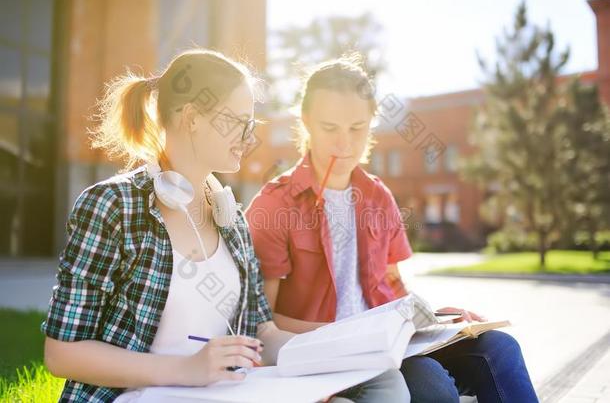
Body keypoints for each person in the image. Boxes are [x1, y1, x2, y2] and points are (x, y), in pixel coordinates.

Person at [41, 48, 408, 403]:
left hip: (229, 392)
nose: (249, 138)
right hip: (139, 395)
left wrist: (348, 348)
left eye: (251, 125)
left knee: (386, 386)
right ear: (192, 118)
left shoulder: (228, 216)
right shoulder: (112, 205)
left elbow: (262, 332)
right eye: (237, 122)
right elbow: (62, 355)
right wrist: (185, 369)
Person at [246, 54, 539, 403]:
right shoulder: (275, 204)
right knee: (434, 387)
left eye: (357, 128)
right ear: (306, 121)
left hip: (391, 343)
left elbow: (393, 288)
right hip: (332, 354)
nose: (344, 143)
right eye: (330, 128)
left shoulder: (378, 196)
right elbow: (261, 322)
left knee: (500, 348)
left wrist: (439, 319)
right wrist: (348, 334)